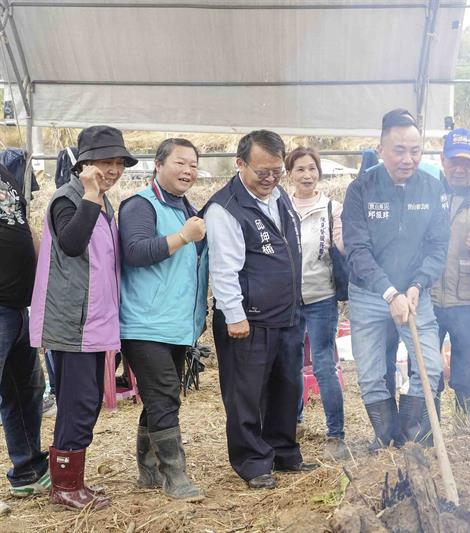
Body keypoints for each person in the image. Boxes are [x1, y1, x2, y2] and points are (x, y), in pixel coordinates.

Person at [29, 125, 137, 510]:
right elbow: (72, 244)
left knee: (88, 402)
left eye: (119, 163)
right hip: (73, 323)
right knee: (77, 403)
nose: (113, 170)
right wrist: (90, 194)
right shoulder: (68, 199)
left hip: (95, 320)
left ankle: (73, 481)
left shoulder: (104, 204)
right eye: (105, 162)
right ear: (84, 164)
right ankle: (65, 487)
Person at [205, 130, 315, 490]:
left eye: (276, 171)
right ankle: (252, 462)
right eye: (262, 172)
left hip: (286, 312)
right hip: (248, 318)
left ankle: (284, 451)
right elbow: (224, 268)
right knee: (246, 393)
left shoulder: (279, 196)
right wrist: (234, 315)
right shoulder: (225, 208)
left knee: (287, 386)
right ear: (240, 164)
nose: (270, 179)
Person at [342, 108, 449, 449]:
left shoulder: (432, 188)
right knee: (371, 374)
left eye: (415, 151)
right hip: (369, 293)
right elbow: (357, 249)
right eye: (399, 150)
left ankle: (409, 437)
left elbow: (438, 246)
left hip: (415, 293)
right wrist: (389, 292)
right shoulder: (361, 189)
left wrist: (417, 285)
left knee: (429, 367)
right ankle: (385, 439)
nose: (408, 159)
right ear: (381, 149)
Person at [118, 138, 208, 500]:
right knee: (165, 397)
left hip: (176, 324)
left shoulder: (188, 209)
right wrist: (183, 237)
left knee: (159, 398)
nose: (188, 170)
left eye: (193, 165)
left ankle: (149, 470)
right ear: (158, 165)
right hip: (145, 322)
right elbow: (135, 251)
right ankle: (175, 475)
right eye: (180, 163)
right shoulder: (140, 205)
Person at [286, 146, 348, 460]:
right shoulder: (280, 206)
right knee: (290, 363)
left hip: (322, 295)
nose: (307, 175)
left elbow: (342, 244)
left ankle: (336, 434)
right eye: (300, 169)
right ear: (289, 174)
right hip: (287, 298)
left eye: (312, 168)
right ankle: (293, 424)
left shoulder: (332, 208)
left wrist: (348, 241)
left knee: (323, 364)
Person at [429, 128, 470, 424]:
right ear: (443, 160)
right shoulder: (427, 196)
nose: (459, 168)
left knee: (469, 376)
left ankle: (465, 433)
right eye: (454, 161)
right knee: (428, 371)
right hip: (429, 297)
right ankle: (429, 436)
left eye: (466, 162)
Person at [0, 163, 50, 513]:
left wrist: (44, 279)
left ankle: (29, 471)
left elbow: (21, 223)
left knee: (25, 392)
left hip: (18, 307)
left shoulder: (4, 171)